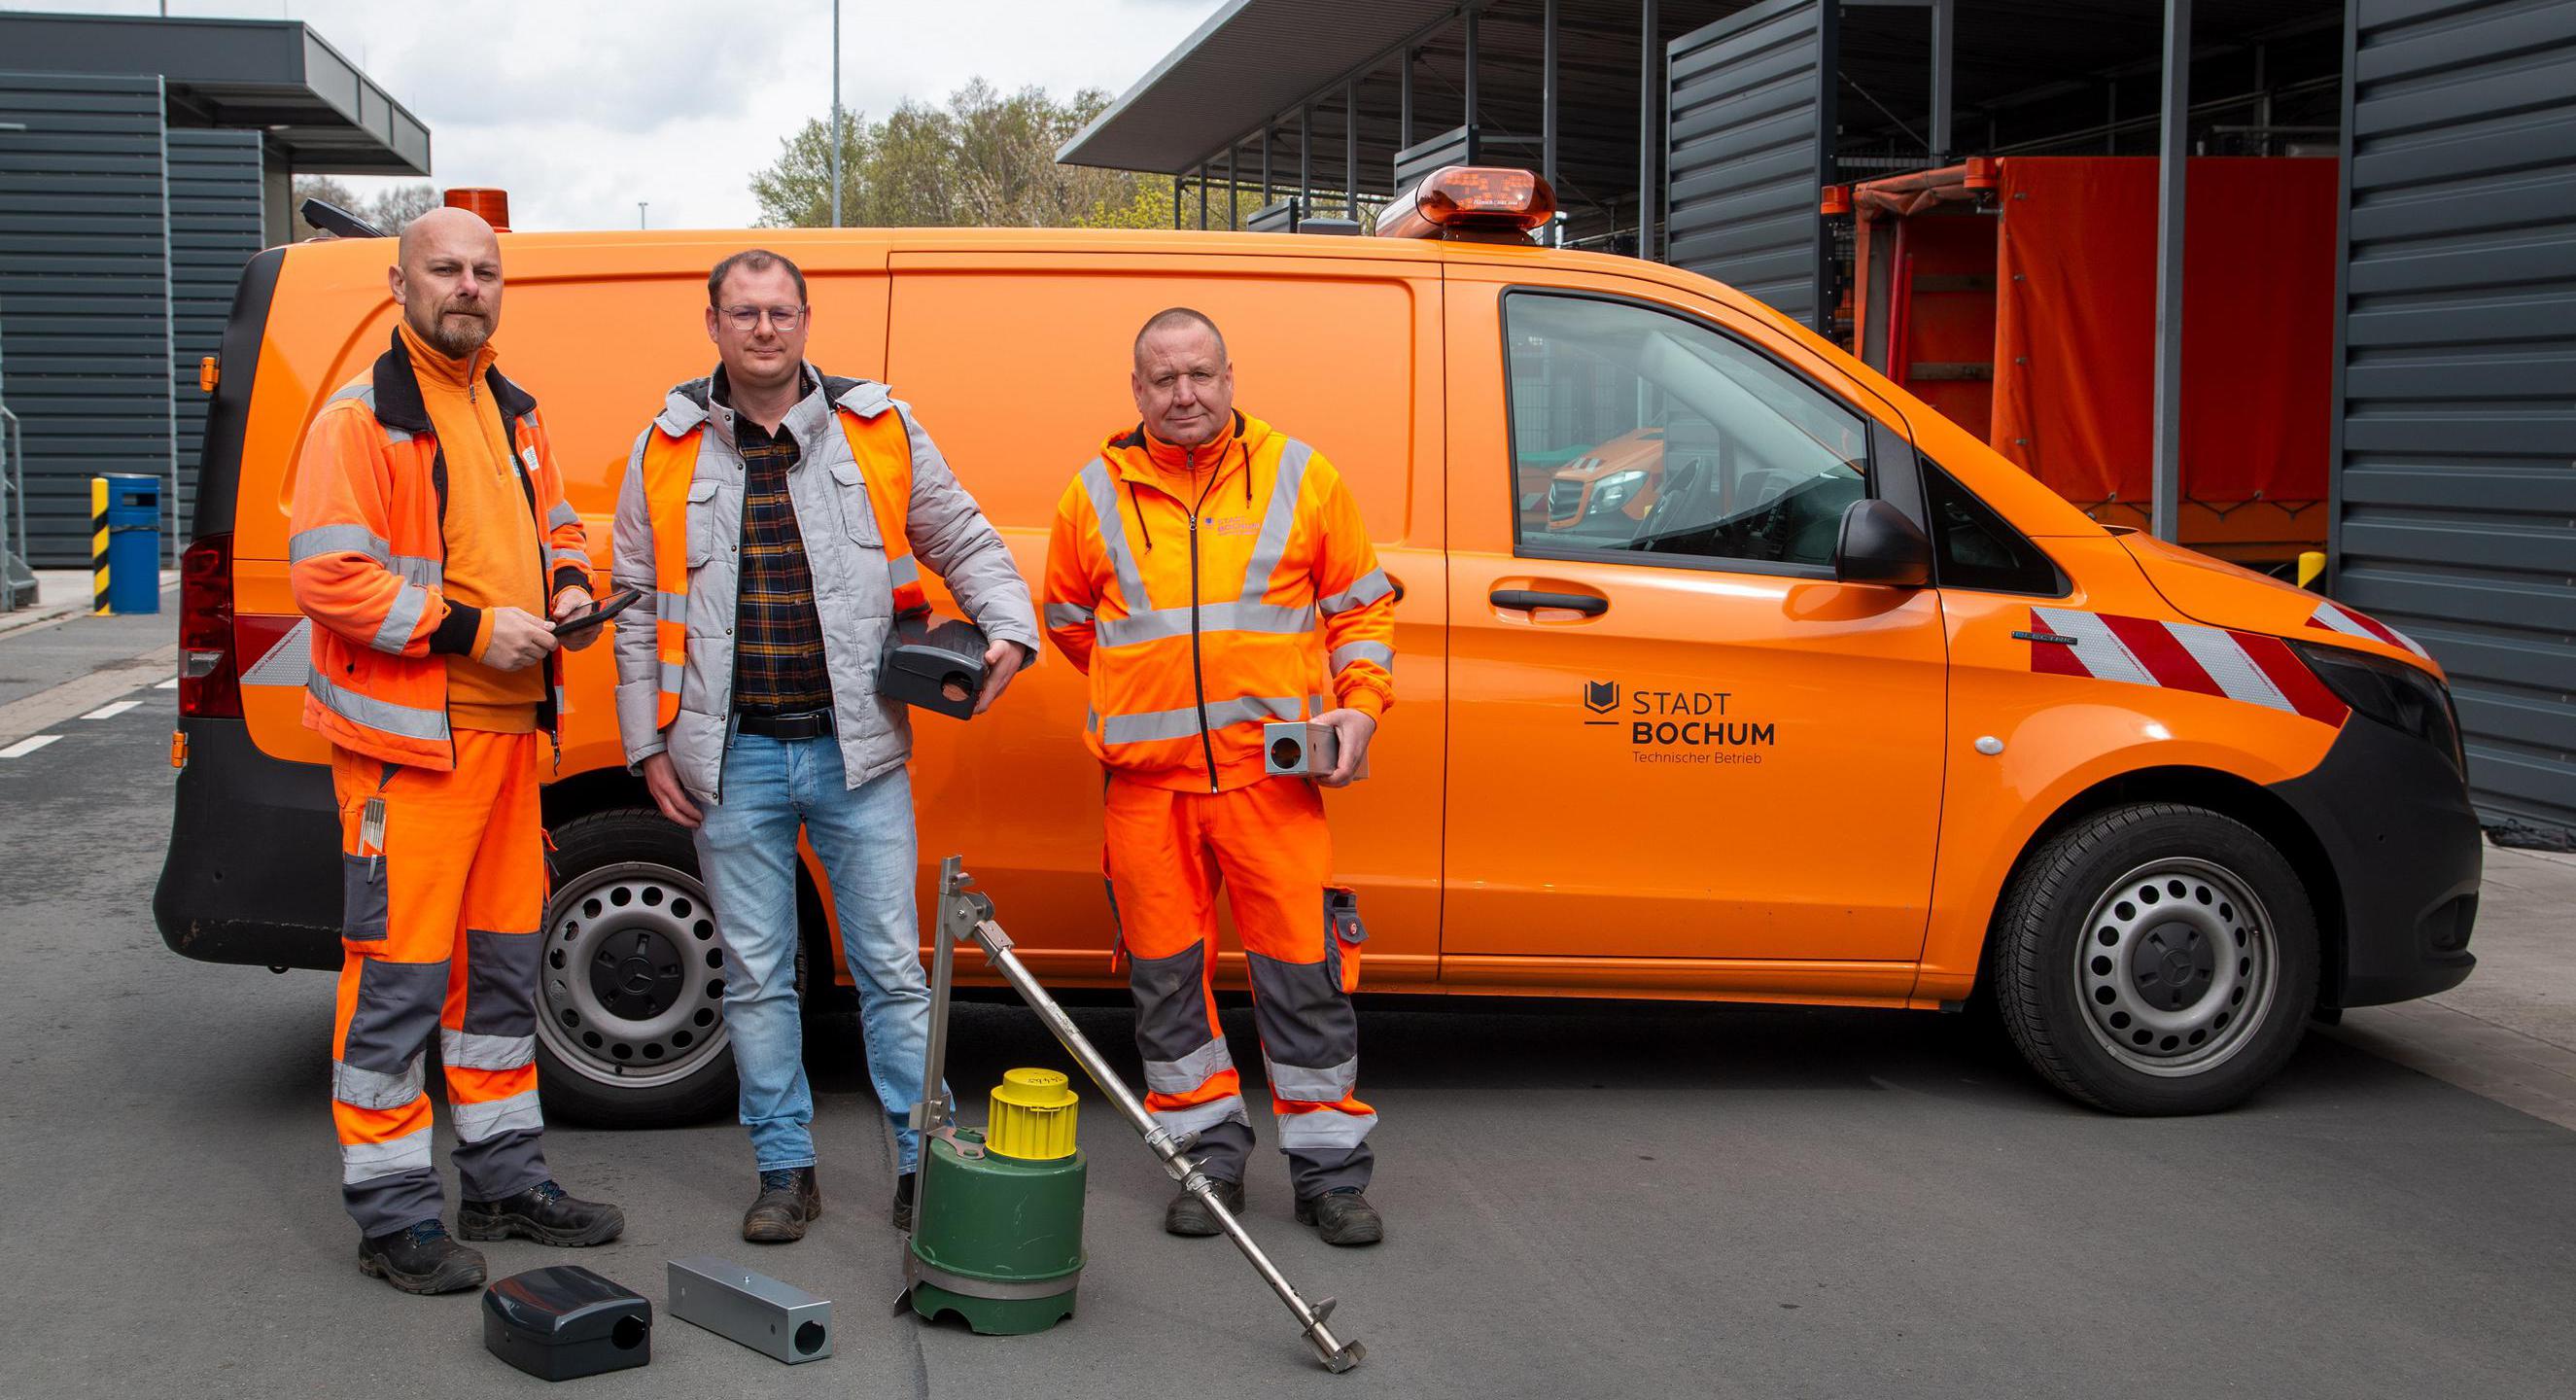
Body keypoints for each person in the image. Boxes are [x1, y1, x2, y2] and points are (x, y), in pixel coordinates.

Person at [611, 249, 1038, 1243]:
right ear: (711, 323)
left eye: (780, 312)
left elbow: (962, 535)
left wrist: (1007, 626)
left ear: (807, 319)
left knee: (892, 968)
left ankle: (919, 1161)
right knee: (758, 977)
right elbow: (635, 610)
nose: (764, 329)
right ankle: (784, 1171)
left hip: (860, 756)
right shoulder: (665, 446)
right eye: (744, 313)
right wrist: (648, 745)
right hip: (733, 759)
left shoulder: (877, 427)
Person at [288, 206, 623, 1296]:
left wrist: (569, 585)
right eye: (446, 269)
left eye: (484, 271)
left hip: (509, 746)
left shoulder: (513, 411)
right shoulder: (358, 419)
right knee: (395, 986)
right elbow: (332, 582)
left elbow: (562, 526)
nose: (468, 286)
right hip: (409, 761)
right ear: (400, 285)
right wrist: (480, 627)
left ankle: (503, 1182)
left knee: (495, 982)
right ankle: (392, 1218)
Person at [1040, 307, 1396, 1246]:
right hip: (1148, 791)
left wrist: (1359, 706)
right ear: (1137, 389)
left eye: (1200, 374)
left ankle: (1327, 1174)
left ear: (1231, 376)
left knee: (1303, 978)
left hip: (1268, 784)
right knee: (1166, 984)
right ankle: (1204, 1157)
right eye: (1163, 379)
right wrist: (1151, 699)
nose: (1184, 394)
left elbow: (1362, 613)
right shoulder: (1093, 493)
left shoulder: (1302, 476)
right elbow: (1072, 625)